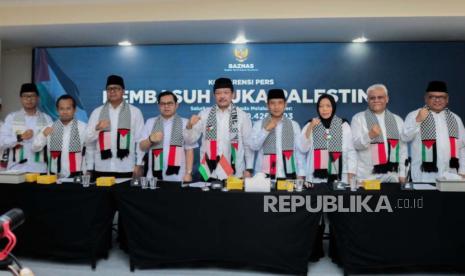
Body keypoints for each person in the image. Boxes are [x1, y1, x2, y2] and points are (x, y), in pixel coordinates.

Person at [186, 77, 254, 180]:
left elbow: (248, 145)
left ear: (233, 94)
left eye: (226, 92)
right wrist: (189, 126)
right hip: (209, 172)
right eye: (218, 93)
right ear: (214, 95)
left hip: (234, 173)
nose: (222, 96)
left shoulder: (242, 116)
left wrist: (249, 169)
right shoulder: (204, 114)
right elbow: (190, 140)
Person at [402, 81, 465, 182]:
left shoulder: (455, 119)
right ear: (426, 98)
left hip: (450, 176)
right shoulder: (414, 115)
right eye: (432, 97)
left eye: (442, 97)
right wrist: (417, 120)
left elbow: (463, 147)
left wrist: (463, 171)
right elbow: (405, 137)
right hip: (423, 177)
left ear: (447, 99)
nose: (437, 100)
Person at [85, 75, 144, 179]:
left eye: (116, 88)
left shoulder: (135, 112)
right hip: (102, 168)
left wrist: (139, 164)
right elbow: (88, 140)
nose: (112, 91)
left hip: (126, 167)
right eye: (109, 89)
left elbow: (140, 140)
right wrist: (97, 129)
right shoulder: (97, 112)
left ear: (123, 91)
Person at [351, 84, 408, 182]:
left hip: (392, 175)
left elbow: (402, 150)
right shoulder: (358, 118)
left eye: (380, 97)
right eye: (372, 98)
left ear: (387, 99)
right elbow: (355, 145)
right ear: (368, 100)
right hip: (367, 176)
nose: (376, 100)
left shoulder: (398, 120)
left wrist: (402, 174)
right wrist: (369, 136)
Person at [138, 91, 198, 182]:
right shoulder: (150, 122)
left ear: (176, 105)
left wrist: (188, 173)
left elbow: (189, 149)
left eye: (170, 103)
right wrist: (150, 139)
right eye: (163, 104)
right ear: (159, 106)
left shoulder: (185, 123)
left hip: (178, 177)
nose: (166, 106)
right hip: (153, 177)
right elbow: (142, 147)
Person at [299, 94, 356, 184]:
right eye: (321, 106)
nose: (324, 109)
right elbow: (302, 148)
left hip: (339, 179)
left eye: (328, 106)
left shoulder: (343, 125)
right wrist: (311, 126)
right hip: (315, 179)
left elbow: (351, 151)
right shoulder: (310, 124)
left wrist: (351, 176)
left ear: (333, 107)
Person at [250, 89, 305, 179]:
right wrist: (266, 130)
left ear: (285, 105)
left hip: (288, 176)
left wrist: (301, 173)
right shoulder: (259, 124)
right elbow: (253, 146)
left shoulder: (294, 125)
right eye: (272, 103)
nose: (276, 107)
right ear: (267, 105)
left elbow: (299, 152)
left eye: (280, 103)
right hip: (264, 177)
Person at [0, 83, 52, 172]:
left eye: (32, 96)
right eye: (25, 96)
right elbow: (1, 141)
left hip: (39, 169)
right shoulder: (11, 117)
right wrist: (20, 137)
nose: (29, 99)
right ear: (21, 98)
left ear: (38, 98)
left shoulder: (46, 119)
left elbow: (52, 144)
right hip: (15, 169)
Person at [32, 95, 88, 178]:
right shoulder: (49, 127)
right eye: (61, 109)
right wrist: (43, 135)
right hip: (55, 177)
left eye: (68, 108)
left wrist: (89, 170)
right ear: (57, 110)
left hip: (77, 177)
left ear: (75, 110)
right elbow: (35, 147)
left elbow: (90, 150)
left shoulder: (84, 128)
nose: (65, 112)